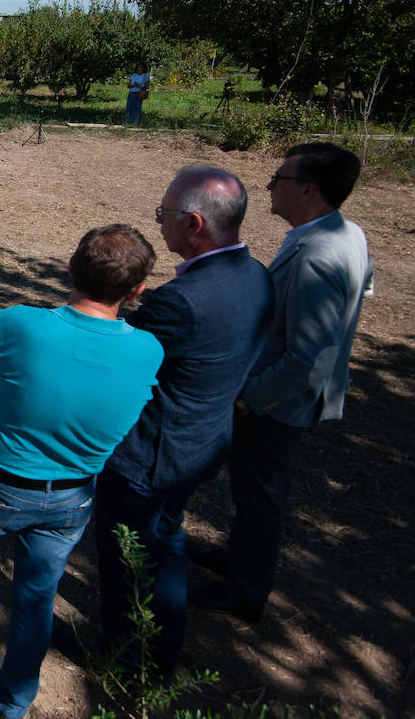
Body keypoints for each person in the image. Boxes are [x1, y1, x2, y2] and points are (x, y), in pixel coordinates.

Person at [0, 225, 164, 719]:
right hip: (73, 496)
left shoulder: (20, 324)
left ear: (70, 269)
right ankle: (12, 700)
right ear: (137, 290)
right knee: (38, 595)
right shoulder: (148, 350)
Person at [92, 166, 274, 671]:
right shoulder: (256, 275)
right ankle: (165, 641)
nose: (160, 224)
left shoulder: (183, 301)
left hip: (152, 454)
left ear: (194, 223)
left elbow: (115, 354)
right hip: (203, 441)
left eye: (164, 216)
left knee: (127, 553)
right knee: (167, 538)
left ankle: (126, 656)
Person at [192, 143, 373, 622]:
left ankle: (243, 589)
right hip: (284, 395)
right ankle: (239, 560)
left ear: (309, 190)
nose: (269, 186)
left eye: (280, 178)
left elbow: (309, 354)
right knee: (253, 492)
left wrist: (252, 398)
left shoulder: (318, 254)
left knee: (260, 495)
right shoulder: (345, 233)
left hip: (278, 402)